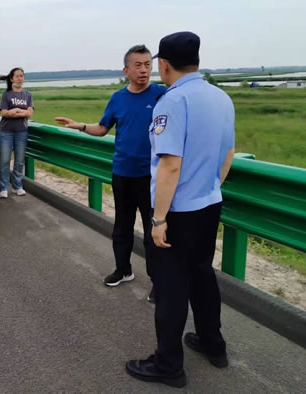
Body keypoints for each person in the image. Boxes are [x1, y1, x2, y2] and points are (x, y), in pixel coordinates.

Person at [125, 31, 235, 388]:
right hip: (209, 204)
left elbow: (170, 165)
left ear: (164, 64)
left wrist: (158, 219)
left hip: (178, 212)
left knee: (171, 287)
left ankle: (168, 365)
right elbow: (228, 153)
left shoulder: (172, 101)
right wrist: (209, 187)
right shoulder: (221, 97)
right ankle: (213, 344)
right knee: (202, 275)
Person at [56, 45, 166, 301]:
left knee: (152, 230)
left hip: (151, 177)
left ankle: (158, 281)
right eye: (138, 65)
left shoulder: (162, 95)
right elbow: (103, 128)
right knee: (122, 226)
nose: (144, 70)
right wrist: (81, 126)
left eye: (148, 65)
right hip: (122, 173)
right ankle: (123, 269)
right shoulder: (117, 98)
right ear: (126, 70)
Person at [0, 67, 34, 198]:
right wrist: (20, 111)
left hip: (21, 132)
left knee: (19, 161)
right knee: (5, 161)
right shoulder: (6, 94)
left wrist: (15, 111)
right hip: (6, 132)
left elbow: (29, 113)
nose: (20, 78)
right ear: (12, 79)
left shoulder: (28, 95)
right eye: (17, 76)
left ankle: (17, 186)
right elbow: (4, 113)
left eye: (21, 76)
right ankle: (3, 188)